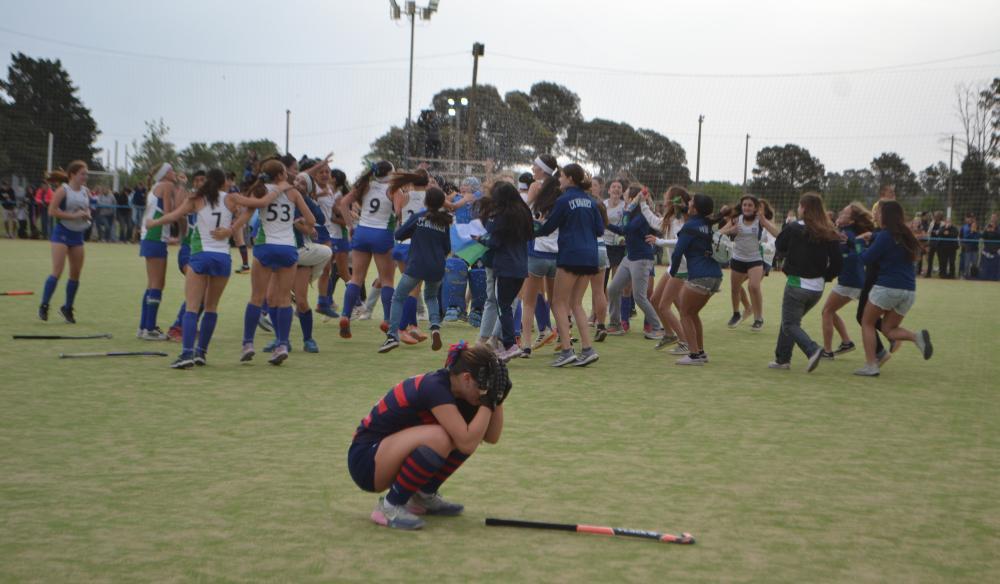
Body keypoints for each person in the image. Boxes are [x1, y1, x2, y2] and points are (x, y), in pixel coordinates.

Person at [349, 342, 507, 530]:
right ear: (466, 378)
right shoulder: (435, 387)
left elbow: (491, 437)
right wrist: (489, 401)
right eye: (485, 386)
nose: (485, 392)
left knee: (467, 431)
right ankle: (389, 507)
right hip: (366, 461)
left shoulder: (461, 392)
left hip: (384, 456)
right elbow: (466, 443)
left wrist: (498, 398)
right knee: (442, 437)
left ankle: (422, 495)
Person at [146, 169, 255, 368]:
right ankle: (201, 353)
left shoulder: (197, 199)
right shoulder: (231, 198)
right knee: (211, 307)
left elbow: (173, 215)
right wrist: (232, 229)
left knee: (192, 307)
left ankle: (187, 354)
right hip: (222, 258)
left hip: (200, 255)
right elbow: (254, 206)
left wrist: (154, 222)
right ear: (223, 183)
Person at [240, 158, 315, 365]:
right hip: (287, 247)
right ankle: (282, 344)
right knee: (284, 300)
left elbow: (247, 213)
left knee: (256, 297)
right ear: (281, 174)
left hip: (265, 246)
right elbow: (311, 220)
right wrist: (300, 222)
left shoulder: (260, 190)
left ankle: (248, 343)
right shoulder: (293, 193)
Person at [535, 163, 605, 367]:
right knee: (576, 304)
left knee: (558, 302)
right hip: (590, 257)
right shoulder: (591, 201)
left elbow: (548, 227)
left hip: (570, 255)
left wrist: (532, 227)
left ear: (570, 179)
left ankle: (567, 350)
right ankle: (588, 349)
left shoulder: (563, 200)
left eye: (562, 176)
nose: (559, 179)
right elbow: (600, 230)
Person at [854, 200, 933, 376]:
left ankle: (871, 365)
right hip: (909, 290)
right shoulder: (906, 234)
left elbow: (866, 258)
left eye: (879, 212)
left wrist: (858, 244)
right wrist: (872, 239)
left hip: (887, 288)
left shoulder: (885, 235)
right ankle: (916, 337)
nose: (877, 215)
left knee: (867, 322)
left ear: (886, 216)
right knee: (888, 329)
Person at [768, 193, 842, 372]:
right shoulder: (829, 231)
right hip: (817, 289)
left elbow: (780, 245)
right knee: (790, 321)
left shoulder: (794, 227)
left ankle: (812, 349)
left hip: (797, 284)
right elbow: (838, 262)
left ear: (804, 208)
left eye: (800, 206)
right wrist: (826, 277)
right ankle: (782, 359)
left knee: (790, 323)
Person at [380, 187, 452, 353]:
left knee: (398, 297)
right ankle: (435, 327)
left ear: (426, 201)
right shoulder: (444, 222)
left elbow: (399, 235)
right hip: (437, 266)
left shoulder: (418, 217)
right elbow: (447, 248)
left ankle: (392, 336)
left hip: (417, 265)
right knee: (431, 297)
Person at [337, 161, 397, 339]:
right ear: (390, 173)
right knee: (387, 280)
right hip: (382, 234)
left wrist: (350, 226)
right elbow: (400, 212)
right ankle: (387, 321)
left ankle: (345, 315)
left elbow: (343, 203)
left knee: (356, 278)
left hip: (362, 231)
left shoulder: (365, 185)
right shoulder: (393, 189)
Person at [475, 181, 534, 361]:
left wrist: (480, 239)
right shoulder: (523, 214)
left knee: (503, 306)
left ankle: (509, 344)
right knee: (507, 304)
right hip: (521, 267)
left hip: (505, 267)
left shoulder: (502, 216)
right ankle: (504, 343)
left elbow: (495, 242)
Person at [670, 194, 726, 365]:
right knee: (692, 313)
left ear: (695, 208)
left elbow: (677, 252)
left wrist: (673, 272)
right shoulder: (707, 223)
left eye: (691, 202)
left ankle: (694, 355)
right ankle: (700, 352)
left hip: (700, 276)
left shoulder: (689, 226)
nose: (688, 203)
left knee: (685, 313)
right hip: (716, 275)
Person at [820, 203, 876, 359]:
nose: (840, 214)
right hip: (853, 279)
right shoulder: (846, 233)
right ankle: (846, 342)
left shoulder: (847, 235)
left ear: (851, 221)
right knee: (830, 311)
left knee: (827, 311)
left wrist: (842, 258)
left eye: (844, 213)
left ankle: (827, 351)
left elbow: (855, 256)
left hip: (850, 280)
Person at [605, 186, 662, 337]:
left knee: (639, 297)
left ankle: (657, 328)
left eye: (626, 193)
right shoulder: (632, 213)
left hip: (641, 259)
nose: (623, 194)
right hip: (630, 257)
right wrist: (605, 223)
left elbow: (625, 229)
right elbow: (622, 230)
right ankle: (615, 324)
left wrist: (627, 210)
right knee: (613, 289)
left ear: (632, 198)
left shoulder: (641, 215)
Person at [38, 164, 91, 323]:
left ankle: (67, 308)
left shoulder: (85, 191)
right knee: (57, 271)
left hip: (77, 235)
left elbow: (86, 209)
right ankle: (44, 305)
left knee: (75, 274)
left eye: (86, 174)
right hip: (62, 233)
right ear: (72, 175)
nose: (85, 177)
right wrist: (74, 216)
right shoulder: (63, 190)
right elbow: (52, 211)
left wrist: (87, 214)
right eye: (82, 174)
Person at [519, 155, 560, 357]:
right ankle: (565, 340)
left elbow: (526, 213)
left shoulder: (536, 186)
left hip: (537, 251)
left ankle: (526, 345)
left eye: (535, 165)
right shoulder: (559, 190)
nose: (532, 168)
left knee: (528, 302)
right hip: (556, 254)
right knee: (556, 301)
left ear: (543, 169)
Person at [137, 163, 182, 340]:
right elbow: (171, 213)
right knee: (157, 283)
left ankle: (144, 327)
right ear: (164, 173)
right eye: (171, 170)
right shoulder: (167, 185)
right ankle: (149, 329)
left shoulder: (156, 187)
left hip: (150, 237)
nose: (174, 172)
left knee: (152, 284)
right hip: (155, 237)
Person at [719, 195, 777, 332]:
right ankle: (736, 314)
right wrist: (730, 231)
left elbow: (776, 233)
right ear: (741, 206)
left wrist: (764, 220)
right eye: (744, 205)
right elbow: (718, 233)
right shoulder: (736, 219)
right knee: (735, 288)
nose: (747, 207)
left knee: (754, 287)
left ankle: (758, 318)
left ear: (755, 208)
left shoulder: (759, 221)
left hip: (755, 259)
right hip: (738, 259)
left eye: (750, 205)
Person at [647, 186, 693, 355]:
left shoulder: (682, 221)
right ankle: (669, 334)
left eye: (667, 195)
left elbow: (680, 241)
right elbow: (653, 221)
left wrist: (659, 242)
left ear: (674, 200)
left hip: (682, 267)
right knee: (655, 300)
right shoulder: (671, 218)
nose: (664, 198)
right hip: (673, 266)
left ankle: (685, 342)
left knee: (664, 306)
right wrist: (643, 204)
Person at [960, 214, 980, 279]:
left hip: (975, 249)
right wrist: (971, 232)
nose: (970, 219)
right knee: (966, 263)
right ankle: (966, 275)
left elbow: (977, 238)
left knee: (974, 263)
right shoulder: (965, 228)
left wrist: (975, 232)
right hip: (967, 249)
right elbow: (965, 237)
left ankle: (974, 276)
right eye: (968, 218)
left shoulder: (977, 231)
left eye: (971, 218)